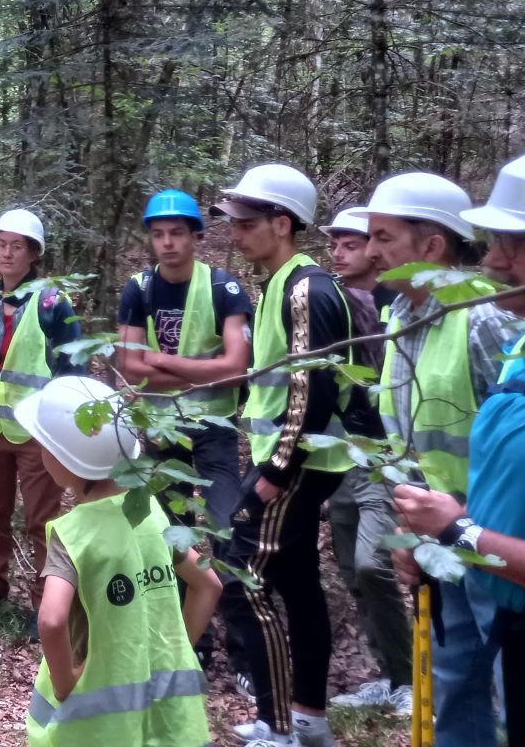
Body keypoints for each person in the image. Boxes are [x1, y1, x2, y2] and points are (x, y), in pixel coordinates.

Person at [366, 172, 514, 745]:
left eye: (385, 237)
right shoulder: (401, 315)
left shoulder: (485, 318)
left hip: (495, 534)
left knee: (509, 677)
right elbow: (402, 434)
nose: (372, 251)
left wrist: (464, 522)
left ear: (431, 247)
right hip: (438, 530)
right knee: (456, 680)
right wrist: (414, 531)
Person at [212, 163, 352, 747]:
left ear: (284, 223)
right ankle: (308, 717)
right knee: (297, 587)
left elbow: (311, 392)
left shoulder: (307, 290)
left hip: (294, 467)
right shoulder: (281, 285)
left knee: (243, 579)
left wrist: (272, 473)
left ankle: (278, 726)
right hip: (292, 461)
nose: (236, 234)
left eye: (247, 223)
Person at [18, 376, 218, 747]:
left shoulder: (74, 533)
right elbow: (208, 584)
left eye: (44, 445)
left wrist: (65, 684)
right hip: (168, 720)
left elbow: (50, 619)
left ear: (66, 460)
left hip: (96, 729)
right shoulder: (149, 515)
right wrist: (177, 651)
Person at [113, 188, 251, 668]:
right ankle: (189, 641)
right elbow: (129, 368)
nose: (168, 243)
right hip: (161, 428)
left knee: (227, 529)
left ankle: (243, 652)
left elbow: (237, 368)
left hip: (214, 430)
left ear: (196, 237)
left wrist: (160, 360)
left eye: (177, 233)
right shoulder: (140, 288)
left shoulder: (223, 288)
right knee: (172, 536)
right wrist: (200, 365)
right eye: (158, 234)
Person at [0, 208, 82, 633]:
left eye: (17, 246)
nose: (7, 254)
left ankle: (46, 600)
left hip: (36, 432)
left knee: (42, 519)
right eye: (2, 244)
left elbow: (72, 370)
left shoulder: (52, 302)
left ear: (33, 253)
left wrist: (65, 430)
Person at [320, 205, 412, 715]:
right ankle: (392, 672)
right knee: (352, 570)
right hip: (342, 448)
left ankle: (419, 676)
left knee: (373, 562)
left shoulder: (398, 304)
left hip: (386, 453)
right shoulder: (330, 298)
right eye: (335, 243)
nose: (339, 253)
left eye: (350, 244)